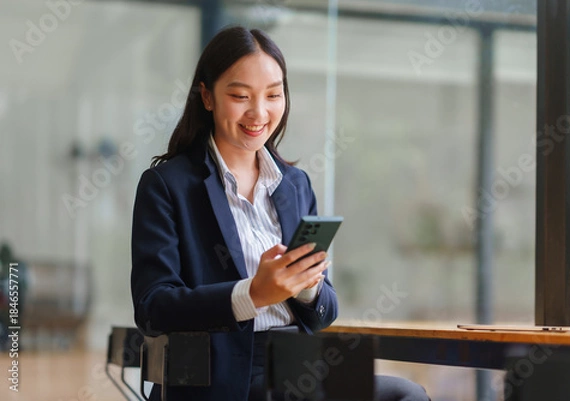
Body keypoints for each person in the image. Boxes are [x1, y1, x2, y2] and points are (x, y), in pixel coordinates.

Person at [131, 26, 429, 401]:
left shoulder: (295, 185)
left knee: (406, 396)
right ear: (207, 97)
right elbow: (153, 308)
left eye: (273, 95)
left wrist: (307, 287)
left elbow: (324, 311)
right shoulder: (167, 185)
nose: (258, 112)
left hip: (298, 367)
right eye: (240, 96)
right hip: (217, 377)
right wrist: (252, 294)